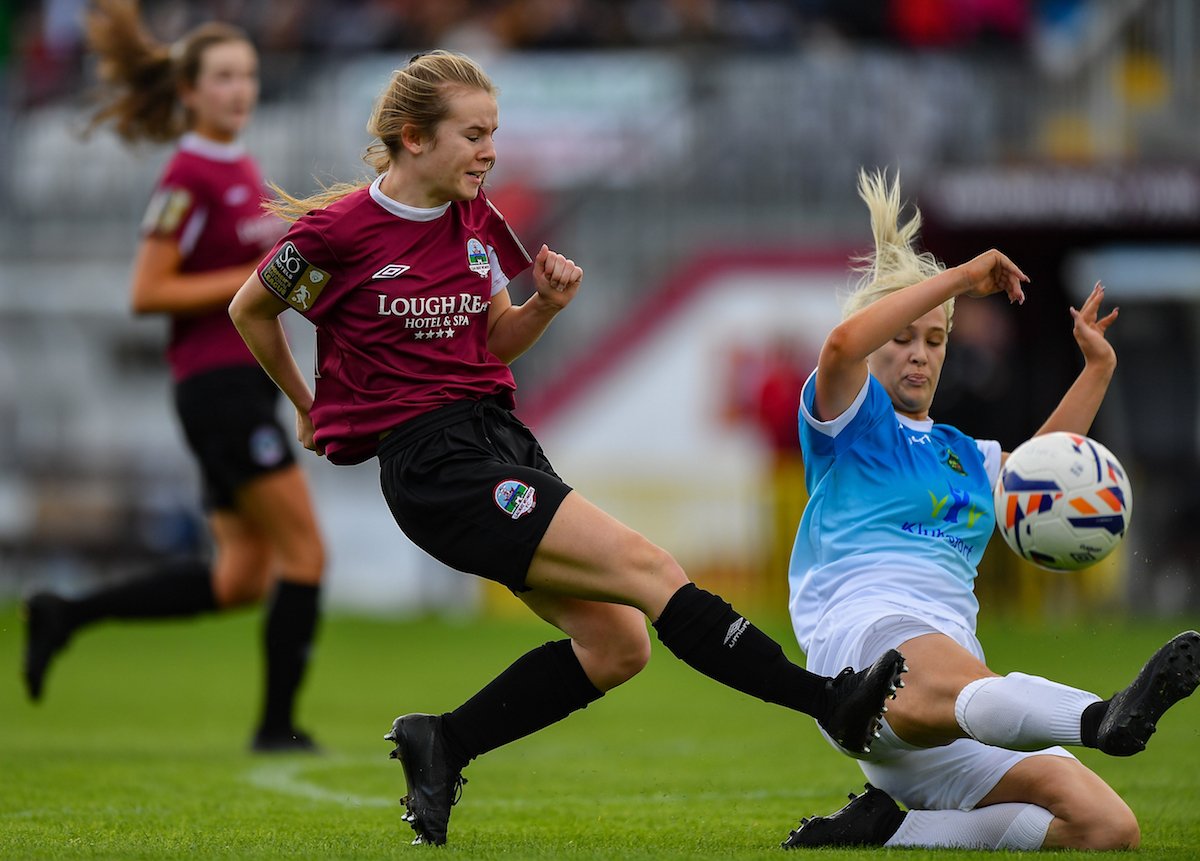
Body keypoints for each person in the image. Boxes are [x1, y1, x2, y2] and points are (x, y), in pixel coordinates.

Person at [228, 49, 907, 846]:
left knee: (618, 646)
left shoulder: (476, 221)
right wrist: (307, 407)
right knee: (654, 573)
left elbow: (494, 342)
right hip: (435, 466)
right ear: (414, 138)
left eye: (495, 133)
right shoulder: (339, 234)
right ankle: (828, 699)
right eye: (473, 134)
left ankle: (442, 740)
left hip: (497, 441)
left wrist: (546, 305)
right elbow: (251, 309)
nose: (490, 151)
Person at [779, 169, 1200, 851]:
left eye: (936, 340)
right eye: (905, 336)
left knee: (1106, 828)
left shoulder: (965, 454)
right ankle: (1100, 719)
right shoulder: (847, 424)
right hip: (861, 654)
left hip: (959, 696)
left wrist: (1096, 370)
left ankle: (893, 828)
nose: (920, 354)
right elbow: (839, 346)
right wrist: (955, 281)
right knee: (959, 675)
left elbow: (1042, 473)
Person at [21, 0, 326, 753]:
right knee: (307, 552)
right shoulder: (189, 174)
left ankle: (65, 612)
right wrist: (247, 278)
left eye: (248, 75)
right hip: (215, 384)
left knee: (241, 579)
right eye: (223, 77)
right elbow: (147, 290)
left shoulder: (242, 166)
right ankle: (277, 727)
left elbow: (262, 284)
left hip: (241, 382)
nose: (240, 89)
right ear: (189, 91)